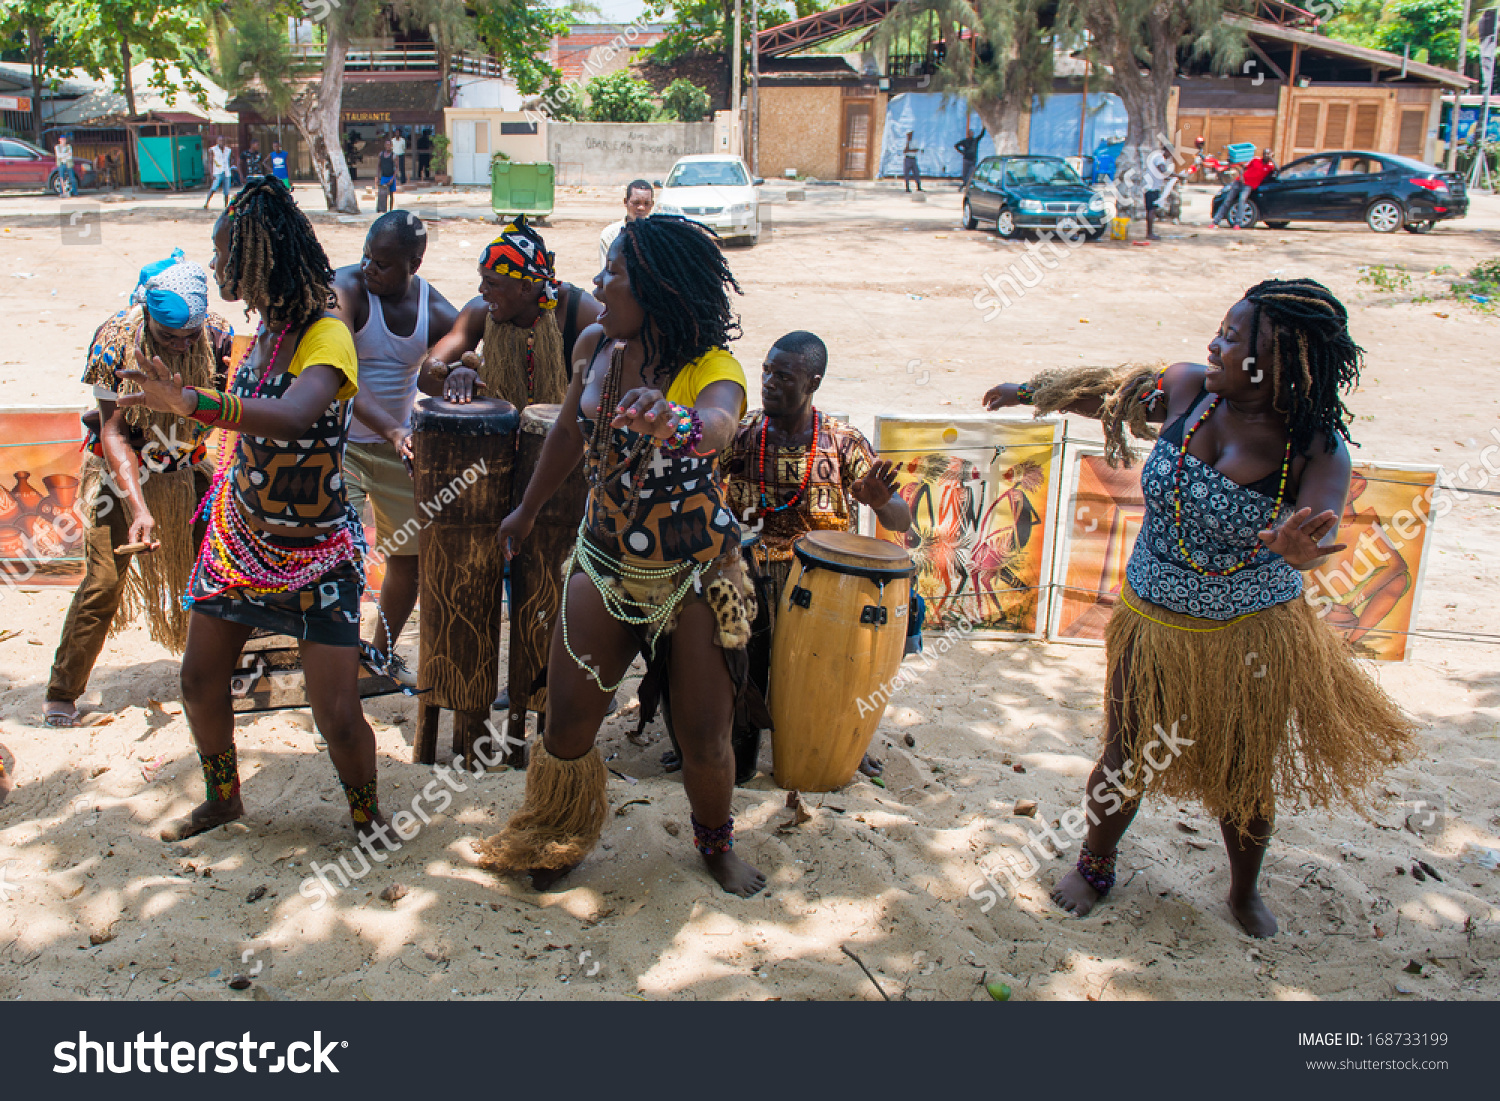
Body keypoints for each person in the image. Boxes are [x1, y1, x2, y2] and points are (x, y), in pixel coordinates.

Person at [981, 278, 1414, 937]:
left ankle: (1243, 890)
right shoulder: (1189, 389)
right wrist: (1031, 390)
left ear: (1274, 363)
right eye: (1221, 328)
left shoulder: (1316, 447)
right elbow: (1111, 392)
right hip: (1152, 617)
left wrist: (1297, 548)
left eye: (1233, 337)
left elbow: (1318, 526)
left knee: (1245, 767)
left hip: (1251, 632)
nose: (1215, 342)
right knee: (1125, 750)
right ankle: (1096, 863)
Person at [481, 214, 766, 897]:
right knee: (568, 724)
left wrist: (680, 421)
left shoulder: (710, 368)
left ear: (660, 290)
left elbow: (720, 424)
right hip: (604, 563)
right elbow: (571, 437)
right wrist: (526, 507)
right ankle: (557, 832)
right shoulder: (594, 345)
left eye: (616, 274)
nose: (600, 284)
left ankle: (714, 845)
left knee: (703, 737)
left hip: (695, 574)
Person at [116, 176, 393, 848]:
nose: (215, 269)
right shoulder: (264, 332)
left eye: (222, 255)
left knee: (336, 712)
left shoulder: (326, 332)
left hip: (317, 555)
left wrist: (197, 406)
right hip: (239, 543)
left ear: (258, 256)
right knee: (199, 679)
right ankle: (223, 799)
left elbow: (298, 417)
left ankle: (366, 817)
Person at [44, 253, 235, 728]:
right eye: (169, 336)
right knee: (104, 583)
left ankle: (222, 676)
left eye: (189, 336)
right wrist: (138, 506)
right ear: (147, 316)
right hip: (120, 475)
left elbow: (219, 404)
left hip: (187, 468)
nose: (180, 345)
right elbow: (112, 433)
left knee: (217, 577)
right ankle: (63, 690)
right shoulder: (113, 342)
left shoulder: (217, 334)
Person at [721, 331, 913, 783]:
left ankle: (839, 740)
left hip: (820, 582)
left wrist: (881, 501)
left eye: (783, 376)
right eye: (766, 371)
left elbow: (901, 520)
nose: (768, 382)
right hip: (748, 574)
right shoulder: (743, 433)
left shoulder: (843, 442)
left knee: (829, 674)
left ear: (813, 382)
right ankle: (717, 742)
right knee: (738, 672)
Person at [331, 211, 460, 683]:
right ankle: (336, 657)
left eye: (383, 264)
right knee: (334, 556)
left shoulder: (437, 312)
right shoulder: (344, 290)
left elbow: (464, 356)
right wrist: (394, 432)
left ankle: (379, 654)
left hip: (395, 450)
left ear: (415, 263)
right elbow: (342, 379)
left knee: (410, 558)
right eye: (367, 256)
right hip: (339, 443)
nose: (369, 268)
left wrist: (460, 369)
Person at [420, 215, 601, 414]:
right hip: (498, 433)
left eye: (492, 283)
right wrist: (456, 378)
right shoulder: (479, 311)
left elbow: (619, 372)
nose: (481, 290)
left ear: (525, 287)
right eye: (482, 279)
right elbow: (427, 377)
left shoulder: (579, 310)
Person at [598, 180, 655, 268]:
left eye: (646, 203)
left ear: (652, 205)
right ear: (625, 202)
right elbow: (606, 272)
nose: (641, 208)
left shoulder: (657, 235)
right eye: (636, 203)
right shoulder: (610, 234)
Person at [205, 136, 232, 210]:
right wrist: (211, 173)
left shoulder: (228, 150)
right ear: (217, 141)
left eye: (223, 140)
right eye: (220, 140)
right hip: (217, 171)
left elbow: (230, 160)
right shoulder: (213, 150)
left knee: (226, 190)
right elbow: (210, 162)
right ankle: (207, 203)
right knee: (214, 188)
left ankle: (226, 206)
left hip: (226, 171)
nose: (221, 142)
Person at [377, 140, 397, 214]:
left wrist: (393, 178)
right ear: (385, 145)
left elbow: (396, 168)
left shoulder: (394, 155)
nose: (388, 146)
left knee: (391, 194)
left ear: (391, 146)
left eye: (389, 145)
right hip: (384, 176)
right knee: (382, 194)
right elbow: (378, 166)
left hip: (391, 176)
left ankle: (391, 210)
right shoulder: (381, 154)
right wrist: (378, 177)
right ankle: (382, 209)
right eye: (386, 144)